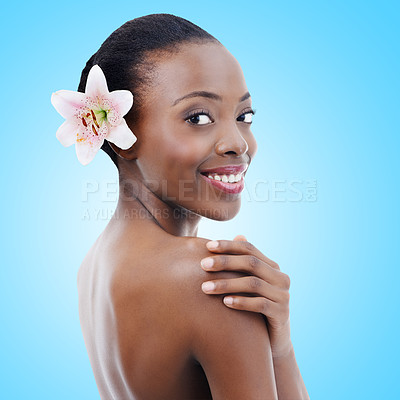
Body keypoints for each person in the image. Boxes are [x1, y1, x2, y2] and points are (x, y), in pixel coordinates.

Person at [73, 13, 309, 399]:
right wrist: (281, 353)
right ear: (121, 137)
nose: (238, 142)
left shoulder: (92, 267)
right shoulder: (214, 282)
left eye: (243, 116)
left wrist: (278, 343)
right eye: (198, 117)